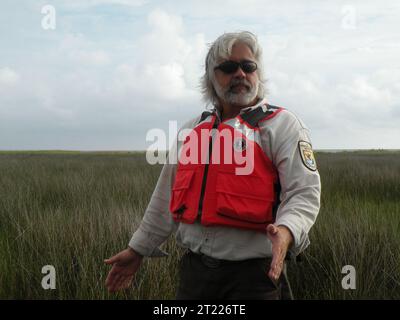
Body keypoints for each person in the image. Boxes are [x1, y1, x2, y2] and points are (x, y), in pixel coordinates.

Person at [104, 31, 321, 300]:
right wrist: (137, 249)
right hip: (195, 276)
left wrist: (287, 230)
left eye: (248, 66)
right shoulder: (191, 131)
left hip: (255, 277)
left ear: (258, 73)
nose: (240, 73)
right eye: (228, 67)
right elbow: (164, 199)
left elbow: (304, 193)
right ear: (210, 78)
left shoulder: (282, 125)